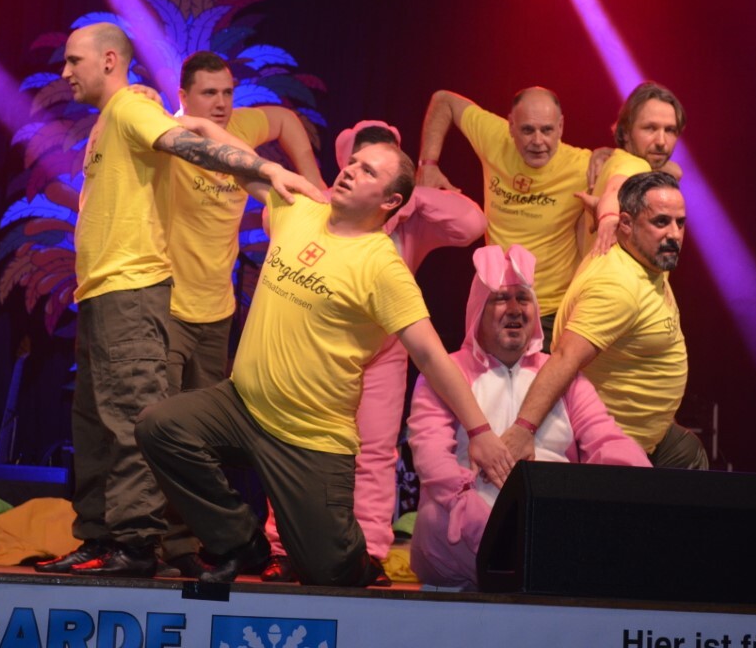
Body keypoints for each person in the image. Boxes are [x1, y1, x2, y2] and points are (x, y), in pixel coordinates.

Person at [135, 140, 514, 587]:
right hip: (240, 407)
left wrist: (480, 432)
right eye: (352, 162)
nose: (350, 171)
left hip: (310, 436)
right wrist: (262, 165)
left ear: (391, 201)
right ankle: (241, 543)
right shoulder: (299, 209)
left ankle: (357, 562)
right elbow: (231, 159)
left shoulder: (382, 266)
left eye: (368, 171)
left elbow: (430, 354)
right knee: (160, 427)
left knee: (329, 573)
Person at [33, 22, 323, 579]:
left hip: (133, 291)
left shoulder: (129, 108)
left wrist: (268, 168)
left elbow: (182, 142)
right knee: (93, 425)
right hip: (100, 293)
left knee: (130, 423)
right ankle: (100, 536)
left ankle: (139, 543)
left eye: (73, 60)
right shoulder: (114, 116)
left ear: (110, 60)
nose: (65, 72)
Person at [261, 121, 486, 583]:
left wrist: (412, 197)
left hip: (384, 352)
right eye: (357, 163)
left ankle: (368, 552)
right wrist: (329, 199)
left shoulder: (409, 219)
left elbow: (471, 223)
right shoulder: (325, 205)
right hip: (320, 345)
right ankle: (284, 548)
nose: (361, 171)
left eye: (376, 168)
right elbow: (272, 220)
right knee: (292, 442)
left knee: (375, 452)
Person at [159, 51, 327, 576]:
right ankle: (167, 545)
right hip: (167, 308)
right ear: (183, 95)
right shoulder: (168, 133)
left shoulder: (241, 126)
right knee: (158, 429)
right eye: (209, 93)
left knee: (203, 441)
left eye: (228, 92)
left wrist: (315, 184)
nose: (221, 103)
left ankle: (201, 541)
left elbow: (285, 121)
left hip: (217, 314)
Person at [408, 244, 650, 590]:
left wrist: (640, 484)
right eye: (500, 299)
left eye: (523, 299)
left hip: (552, 529)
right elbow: (432, 456)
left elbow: (605, 438)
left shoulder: (562, 377)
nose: (514, 309)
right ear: (477, 310)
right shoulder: (448, 372)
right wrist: (483, 525)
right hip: (469, 539)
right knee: (436, 518)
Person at [501, 171, 708, 470]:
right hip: (615, 448)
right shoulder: (618, 287)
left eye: (680, 222)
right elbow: (564, 358)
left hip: (655, 436)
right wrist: (523, 429)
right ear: (627, 224)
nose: (674, 234)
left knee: (690, 453)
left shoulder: (646, 255)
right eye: (661, 222)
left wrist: (605, 211)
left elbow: (617, 180)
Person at [416, 88, 596, 341]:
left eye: (547, 130)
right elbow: (444, 100)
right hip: (496, 301)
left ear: (561, 127)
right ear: (511, 126)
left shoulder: (583, 165)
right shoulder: (495, 138)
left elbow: (632, 165)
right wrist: (428, 164)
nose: (538, 141)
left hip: (553, 310)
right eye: (527, 130)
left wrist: (607, 157)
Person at [588, 81, 687, 254]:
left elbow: (675, 171)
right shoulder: (633, 164)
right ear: (626, 132)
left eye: (670, 130)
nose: (661, 141)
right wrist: (609, 217)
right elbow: (616, 189)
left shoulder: (622, 160)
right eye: (650, 128)